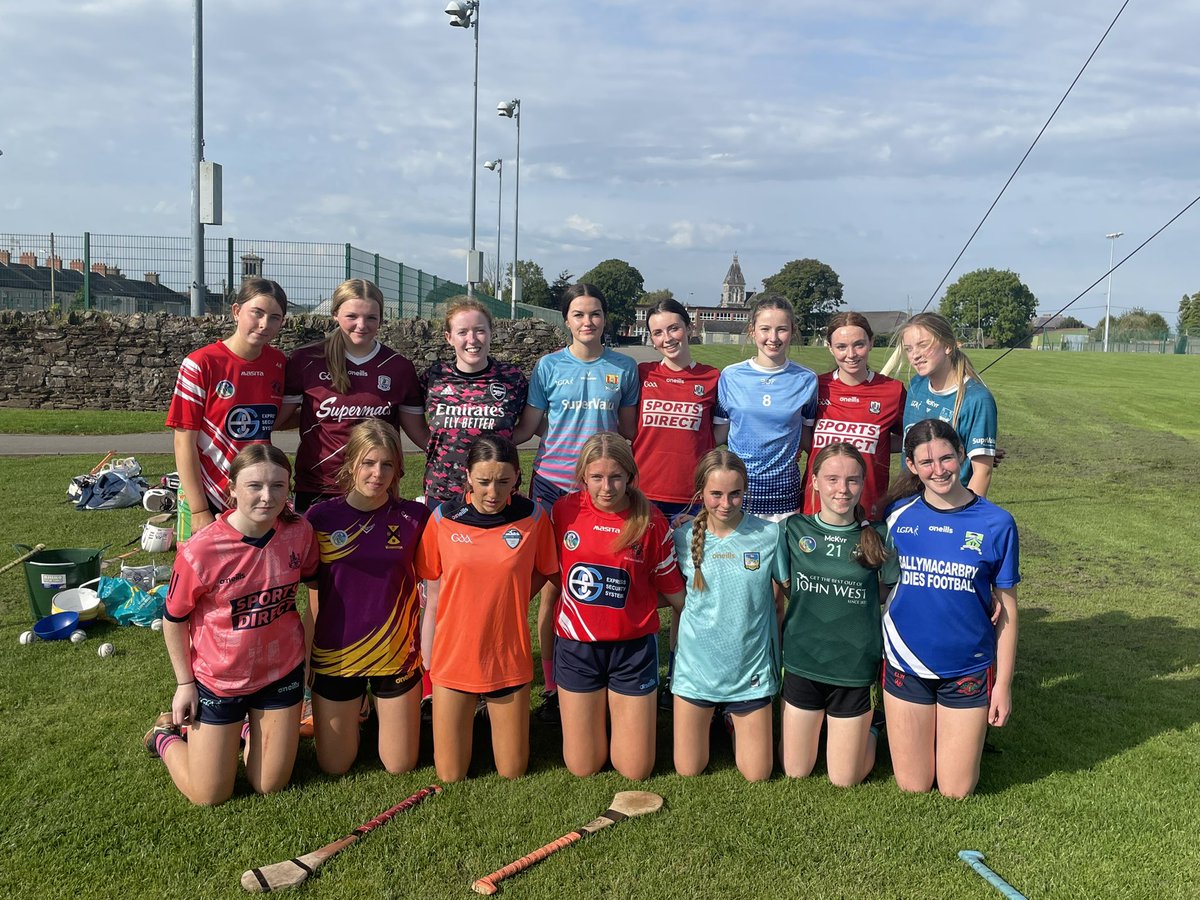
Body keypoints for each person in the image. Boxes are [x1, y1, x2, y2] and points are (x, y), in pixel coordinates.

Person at [144, 444, 318, 806]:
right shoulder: (201, 550)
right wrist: (184, 684)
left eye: (278, 486)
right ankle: (164, 736)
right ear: (232, 489)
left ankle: (245, 727)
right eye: (255, 486)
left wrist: (310, 655)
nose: (267, 497)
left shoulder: (299, 532)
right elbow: (173, 619)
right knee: (209, 795)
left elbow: (315, 586)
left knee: (269, 785)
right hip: (219, 680)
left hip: (281, 671)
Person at [517, 284, 640, 719]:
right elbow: (530, 425)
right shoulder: (549, 366)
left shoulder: (624, 367)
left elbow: (627, 431)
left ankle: (602, 670)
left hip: (600, 491)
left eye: (595, 313)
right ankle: (553, 685)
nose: (588, 322)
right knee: (552, 585)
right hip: (553, 486)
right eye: (579, 314)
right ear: (566, 319)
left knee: (598, 581)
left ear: (605, 318)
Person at [882, 418, 1019, 798]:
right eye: (926, 462)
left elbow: (1008, 613)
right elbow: (876, 582)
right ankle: (876, 726)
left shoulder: (997, 523)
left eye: (946, 458)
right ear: (911, 465)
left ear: (961, 454)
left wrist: (1003, 686)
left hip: (967, 666)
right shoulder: (895, 517)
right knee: (913, 785)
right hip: (905, 662)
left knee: (956, 790)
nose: (938, 470)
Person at [415, 436, 558, 781]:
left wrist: (515, 595)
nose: (493, 492)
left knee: (513, 771)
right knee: (450, 775)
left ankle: (484, 715)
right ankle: (469, 713)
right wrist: (428, 660)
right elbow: (432, 592)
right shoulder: (443, 518)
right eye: (483, 481)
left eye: (504, 481)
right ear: (467, 476)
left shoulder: (533, 517)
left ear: (517, 477)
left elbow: (547, 569)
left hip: (506, 656)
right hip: (454, 656)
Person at [545, 432, 685, 780]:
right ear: (583, 476)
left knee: (636, 770)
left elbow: (675, 593)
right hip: (577, 647)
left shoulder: (651, 521)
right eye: (597, 477)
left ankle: (619, 715)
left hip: (632, 650)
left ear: (630, 476)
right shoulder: (564, 511)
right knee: (583, 767)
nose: (606, 487)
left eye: (616, 477)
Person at [302, 420, 430, 776]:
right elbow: (313, 596)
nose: (377, 473)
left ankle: (369, 710)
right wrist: (306, 659)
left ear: (398, 468)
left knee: (400, 765)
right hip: (336, 656)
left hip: (396, 654)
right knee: (335, 766)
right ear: (351, 463)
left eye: (387, 464)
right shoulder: (321, 518)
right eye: (368, 463)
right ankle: (358, 709)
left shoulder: (415, 517)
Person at [781, 443, 899, 787]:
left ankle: (872, 726)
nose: (842, 489)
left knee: (844, 779)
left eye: (852, 480)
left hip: (853, 666)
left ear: (863, 484)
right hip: (804, 661)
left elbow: (890, 591)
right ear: (815, 481)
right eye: (832, 479)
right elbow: (785, 584)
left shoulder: (878, 535)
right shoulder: (793, 529)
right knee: (795, 770)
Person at [671, 450, 786, 782]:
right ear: (701, 493)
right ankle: (711, 714)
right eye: (716, 494)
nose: (726, 503)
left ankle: (731, 719)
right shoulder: (682, 537)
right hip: (697, 671)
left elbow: (788, 594)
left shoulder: (769, 535)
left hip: (749, 671)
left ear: (745, 490)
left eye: (735, 493)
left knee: (758, 774)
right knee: (689, 770)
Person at [281, 278, 425, 513]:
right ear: (335, 314)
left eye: (371, 317)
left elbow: (418, 432)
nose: (361, 325)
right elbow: (279, 418)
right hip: (319, 487)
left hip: (377, 486)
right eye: (352, 316)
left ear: (381, 319)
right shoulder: (306, 360)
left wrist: (456, 457)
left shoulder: (398, 367)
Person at [166, 278, 288, 540]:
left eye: (275, 317)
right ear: (236, 311)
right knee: (199, 565)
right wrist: (199, 509)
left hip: (256, 491)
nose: (264, 324)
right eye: (257, 313)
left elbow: (275, 419)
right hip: (206, 492)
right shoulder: (200, 363)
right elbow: (183, 441)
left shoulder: (279, 363)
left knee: (255, 563)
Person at [417, 297, 529, 506]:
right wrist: (439, 446)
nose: (472, 339)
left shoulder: (512, 378)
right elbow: (415, 427)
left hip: (496, 494)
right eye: (462, 332)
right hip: (443, 492)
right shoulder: (434, 377)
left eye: (480, 330)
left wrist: (503, 443)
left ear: (490, 333)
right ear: (449, 337)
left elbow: (527, 428)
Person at [716, 293, 819, 522]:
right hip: (737, 495)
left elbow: (807, 439)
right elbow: (719, 434)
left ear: (792, 331)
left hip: (784, 497)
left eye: (781, 329)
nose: (773, 338)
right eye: (765, 329)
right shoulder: (730, 376)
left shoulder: (807, 380)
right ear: (752, 331)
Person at [802, 312, 906, 521]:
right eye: (841, 347)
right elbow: (803, 435)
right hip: (815, 507)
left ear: (871, 343)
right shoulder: (815, 386)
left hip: (867, 508)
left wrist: (876, 442)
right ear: (830, 347)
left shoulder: (893, 391)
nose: (851, 354)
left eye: (859, 345)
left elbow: (910, 439)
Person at [632, 298, 727, 522]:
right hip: (643, 492)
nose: (667, 338)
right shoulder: (642, 373)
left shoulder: (712, 377)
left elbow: (720, 432)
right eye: (658, 333)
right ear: (652, 339)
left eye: (673, 328)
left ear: (689, 328)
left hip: (693, 495)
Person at [899, 312, 997, 497]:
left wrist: (965, 513)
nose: (915, 355)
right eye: (909, 349)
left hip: (950, 505)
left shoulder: (976, 398)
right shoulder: (916, 385)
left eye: (923, 345)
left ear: (947, 346)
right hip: (910, 500)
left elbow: (982, 472)